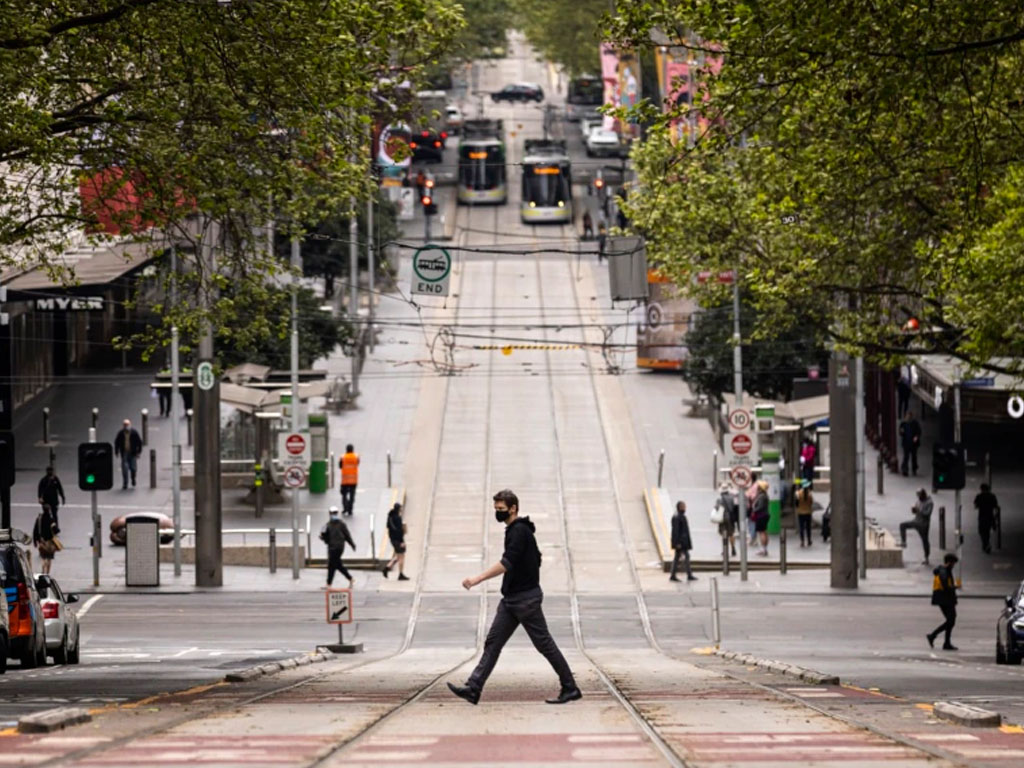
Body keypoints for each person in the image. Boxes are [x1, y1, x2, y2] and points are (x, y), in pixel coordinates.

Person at [448, 489, 580, 706]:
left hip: (525, 600)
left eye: (501, 509)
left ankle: (570, 687)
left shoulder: (519, 531)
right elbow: (535, 559)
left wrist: (477, 579)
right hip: (512, 600)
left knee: (544, 644)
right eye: (496, 509)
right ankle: (473, 688)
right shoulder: (517, 531)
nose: (497, 513)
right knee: (493, 642)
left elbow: (507, 562)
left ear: (513, 508)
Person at [927, 553, 959, 650]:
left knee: (951, 621)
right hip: (945, 599)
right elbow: (946, 586)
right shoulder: (944, 571)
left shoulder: (944, 570)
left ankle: (945, 642)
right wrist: (954, 587)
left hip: (944, 599)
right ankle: (933, 636)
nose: (954, 565)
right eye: (953, 563)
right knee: (951, 620)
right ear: (949, 562)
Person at [319, 506, 355, 589]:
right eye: (332, 513)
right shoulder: (327, 525)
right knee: (337, 564)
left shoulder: (341, 524)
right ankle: (350, 578)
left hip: (338, 547)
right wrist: (322, 537)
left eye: (335, 513)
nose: (333, 515)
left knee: (332, 565)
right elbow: (323, 535)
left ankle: (329, 584)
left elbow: (347, 535)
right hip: (332, 547)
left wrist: (352, 544)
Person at [899, 488, 933, 564]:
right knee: (902, 525)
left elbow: (927, 514)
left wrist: (918, 510)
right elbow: (916, 511)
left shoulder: (929, 503)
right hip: (916, 521)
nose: (918, 497)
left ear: (923, 494)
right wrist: (914, 510)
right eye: (917, 495)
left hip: (923, 524)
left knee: (925, 541)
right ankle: (904, 542)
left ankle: (926, 557)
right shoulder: (918, 501)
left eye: (919, 495)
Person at [670, 501, 697, 582]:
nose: (685, 508)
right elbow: (675, 531)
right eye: (683, 506)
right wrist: (677, 543)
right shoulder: (677, 517)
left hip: (683, 542)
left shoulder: (681, 516)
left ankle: (674, 575)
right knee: (685, 558)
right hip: (681, 542)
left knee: (677, 558)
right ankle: (688, 575)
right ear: (679, 507)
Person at [382, 502, 409, 581]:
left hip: (392, 539)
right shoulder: (398, 518)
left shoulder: (390, 517)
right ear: (399, 509)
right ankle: (400, 574)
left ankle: (386, 568)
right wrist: (402, 542)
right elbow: (399, 531)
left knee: (397, 556)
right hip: (398, 540)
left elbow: (388, 526)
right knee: (401, 557)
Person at [113, 419, 143, 489]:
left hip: (132, 453)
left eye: (127, 425)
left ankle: (133, 478)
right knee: (125, 469)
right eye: (125, 425)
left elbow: (139, 442)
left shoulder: (134, 433)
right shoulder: (120, 433)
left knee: (133, 468)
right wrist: (116, 451)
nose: (126, 426)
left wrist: (139, 452)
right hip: (124, 453)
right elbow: (116, 442)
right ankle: (125, 483)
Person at [37, 466, 66, 531]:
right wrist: (40, 498)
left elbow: (60, 488)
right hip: (46, 500)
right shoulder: (44, 480)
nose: (50, 472)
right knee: (46, 515)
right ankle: (46, 528)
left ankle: (55, 528)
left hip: (54, 500)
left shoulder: (55, 479)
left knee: (54, 514)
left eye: (51, 470)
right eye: (49, 470)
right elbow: (40, 489)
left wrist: (63, 497)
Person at [974, 483, 999, 554]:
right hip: (990, 516)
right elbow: (995, 506)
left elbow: (976, 506)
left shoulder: (979, 496)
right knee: (987, 531)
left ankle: (986, 544)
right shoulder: (992, 496)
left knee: (981, 531)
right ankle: (986, 544)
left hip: (982, 516)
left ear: (981, 489)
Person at [33, 505, 58, 575]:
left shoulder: (39, 519)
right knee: (49, 558)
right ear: (49, 510)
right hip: (50, 542)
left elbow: (35, 530)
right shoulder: (51, 519)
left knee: (43, 557)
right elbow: (56, 530)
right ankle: (47, 573)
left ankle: (43, 570)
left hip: (42, 542)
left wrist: (35, 541)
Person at [715, 482, 737, 556]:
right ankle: (733, 548)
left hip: (723, 517)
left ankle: (725, 549)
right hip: (731, 517)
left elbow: (717, 507)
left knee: (724, 534)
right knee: (731, 534)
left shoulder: (720, 499)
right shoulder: (732, 498)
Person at [899, 410, 921, 477]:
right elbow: (900, 432)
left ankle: (914, 468)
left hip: (913, 443)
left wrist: (916, 437)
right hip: (906, 443)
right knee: (906, 456)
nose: (908, 417)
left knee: (914, 456)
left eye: (909, 416)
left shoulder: (915, 423)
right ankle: (905, 469)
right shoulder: (903, 424)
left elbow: (918, 431)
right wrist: (901, 432)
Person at [339, 444, 359, 516]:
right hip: (353, 480)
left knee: (344, 495)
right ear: (352, 449)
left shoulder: (343, 457)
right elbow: (357, 463)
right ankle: (350, 509)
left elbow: (340, 466)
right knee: (352, 495)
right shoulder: (356, 457)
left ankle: (345, 508)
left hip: (345, 480)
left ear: (346, 450)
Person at [752, 481, 770, 556]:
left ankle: (763, 549)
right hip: (764, 515)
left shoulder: (762, 496)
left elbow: (760, 506)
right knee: (764, 531)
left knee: (762, 532)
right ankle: (764, 548)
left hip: (761, 515)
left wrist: (754, 510)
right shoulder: (764, 495)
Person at [795, 479, 814, 547]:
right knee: (808, 527)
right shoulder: (810, 494)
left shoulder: (798, 493)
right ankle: (809, 540)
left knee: (801, 527)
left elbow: (796, 504)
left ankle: (802, 541)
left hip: (800, 512)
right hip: (808, 512)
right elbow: (811, 503)